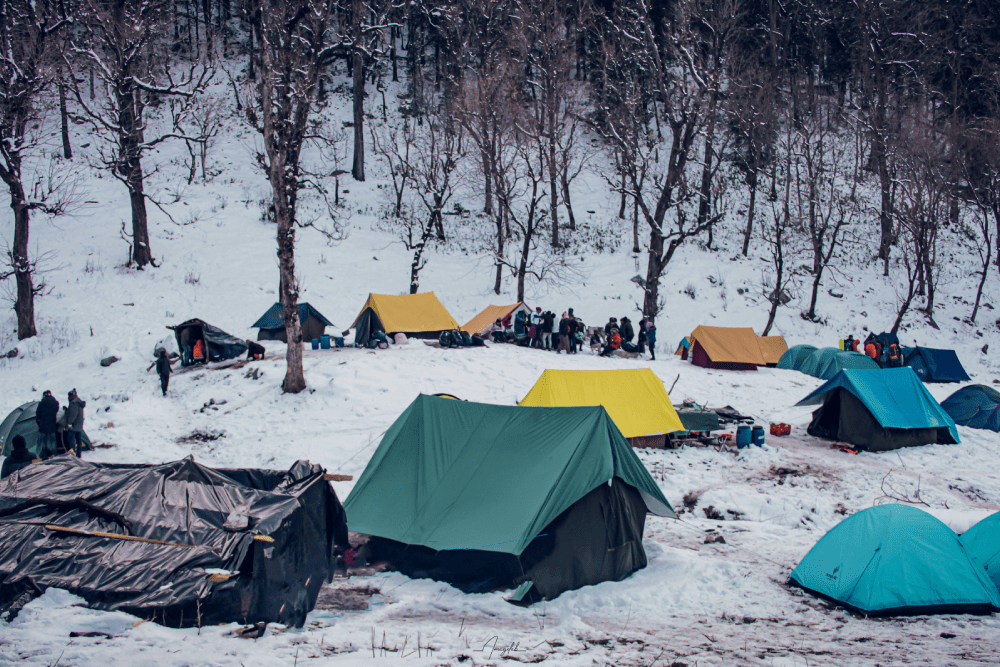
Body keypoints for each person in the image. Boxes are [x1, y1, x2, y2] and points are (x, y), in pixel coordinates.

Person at [35, 389, 59, 457]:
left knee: (43, 441)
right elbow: (56, 410)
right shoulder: (55, 403)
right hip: (52, 424)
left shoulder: (41, 403)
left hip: (43, 425)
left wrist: (38, 423)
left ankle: (44, 454)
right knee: (53, 440)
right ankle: (54, 453)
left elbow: (38, 414)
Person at [64, 389, 86, 457]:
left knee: (71, 441)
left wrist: (69, 422)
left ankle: (72, 455)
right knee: (78, 441)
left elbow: (73, 414)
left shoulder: (73, 402)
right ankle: (79, 455)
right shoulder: (79, 402)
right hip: (79, 426)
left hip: (74, 426)